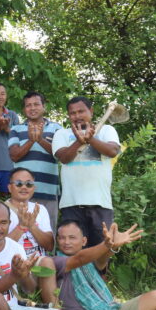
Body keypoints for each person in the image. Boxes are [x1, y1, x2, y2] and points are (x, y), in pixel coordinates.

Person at [53, 96, 121, 248]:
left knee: (102, 251)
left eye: (81, 111)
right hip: (71, 205)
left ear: (91, 111)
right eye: (72, 113)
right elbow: (64, 158)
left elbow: (112, 151)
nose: (76, 116)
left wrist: (91, 139)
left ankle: (100, 273)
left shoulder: (107, 130)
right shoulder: (61, 134)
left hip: (101, 205)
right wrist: (79, 140)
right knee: (72, 252)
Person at [8, 91, 63, 231]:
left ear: (44, 107)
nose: (32, 108)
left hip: (48, 191)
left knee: (48, 233)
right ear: (24, 109)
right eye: (28, 105)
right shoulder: (16, 129)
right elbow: (14, 155)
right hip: (21, 192)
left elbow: (61, 155)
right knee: (21, 232)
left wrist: (40, 140)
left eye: (36, 104)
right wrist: (32, 141)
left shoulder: (56, 128)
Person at [5, 167, 56, 303]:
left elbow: (49, 245)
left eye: (29, 184)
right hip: (13, 264)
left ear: (34, 187)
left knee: (47, 261)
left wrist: (32, 226)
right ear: (10, 187)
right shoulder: (1, 209)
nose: (24, 187)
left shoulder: (40, 209)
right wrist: (21, 226)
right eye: (19, 184)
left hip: (37, 263)